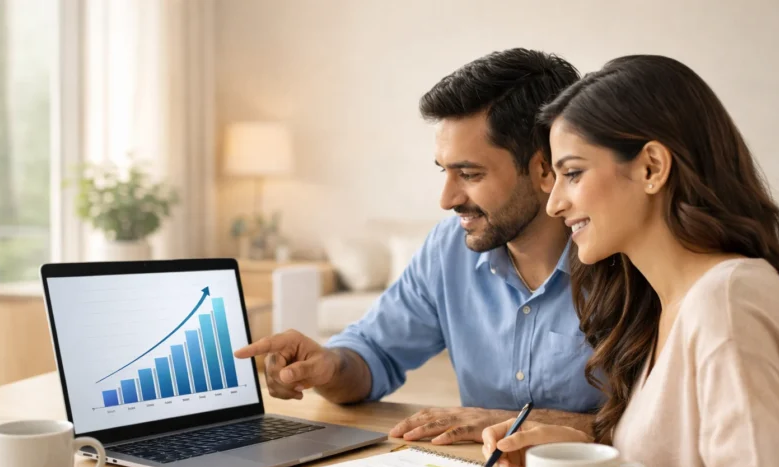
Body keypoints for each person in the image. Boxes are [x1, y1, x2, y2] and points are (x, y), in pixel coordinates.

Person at [482, 55, 779, 467]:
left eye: (572, 173)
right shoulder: (668, 304)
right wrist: (591, 454)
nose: (554, 204)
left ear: (652, 167)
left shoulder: (729, 302)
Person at [235, 48, 604, 445]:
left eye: (469, 174)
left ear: (545, 169)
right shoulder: (449, 248)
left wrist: (512, 422)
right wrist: (327, 367)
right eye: (444, 171)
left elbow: (666, 429)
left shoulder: (628, 258)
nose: (446, 199)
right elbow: (373, 353)